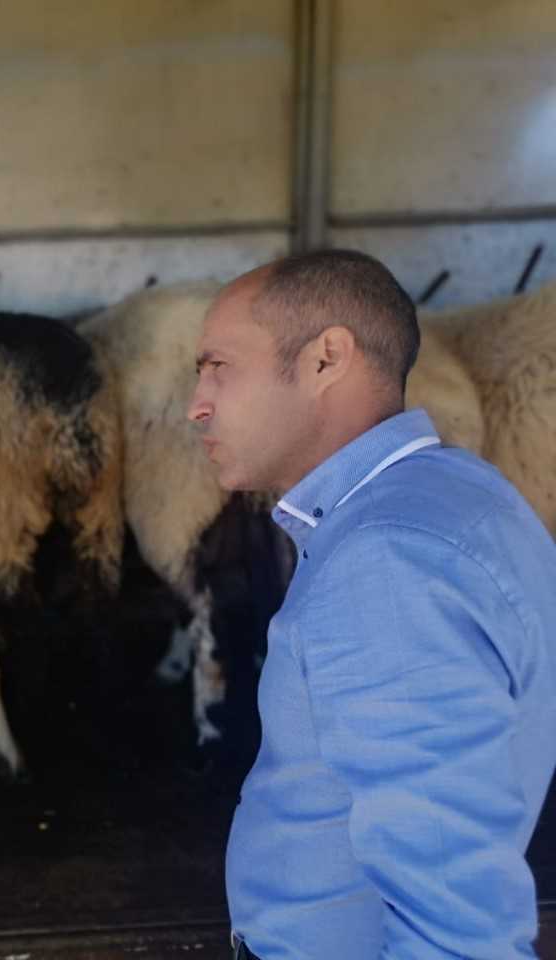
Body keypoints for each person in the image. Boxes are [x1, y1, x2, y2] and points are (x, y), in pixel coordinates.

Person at [188, 249, 556, 959]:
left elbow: (457, 924)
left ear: (327, 358)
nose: (196, 404)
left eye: (218, 368)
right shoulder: (463, 495)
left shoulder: (386, 562)